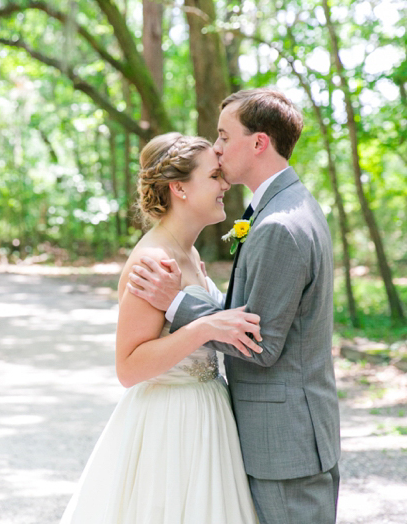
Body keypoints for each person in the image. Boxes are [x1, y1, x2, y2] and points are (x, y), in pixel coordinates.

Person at [128, 88, 341, 524]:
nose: (218, 149)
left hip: (284, 445)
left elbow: (261, 344)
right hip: (271, 436)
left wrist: (179, 302)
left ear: (258, 142)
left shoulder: (279, 225)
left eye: (224, 137)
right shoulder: (287, 206)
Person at [60, 133, 261, 524]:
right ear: (179, 187)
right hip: (171, 425)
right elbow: (129, 367)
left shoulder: (189, 252)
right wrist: (204, 328)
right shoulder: (153, 260)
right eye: (215, 176)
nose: (225, 185)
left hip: (208, 414)